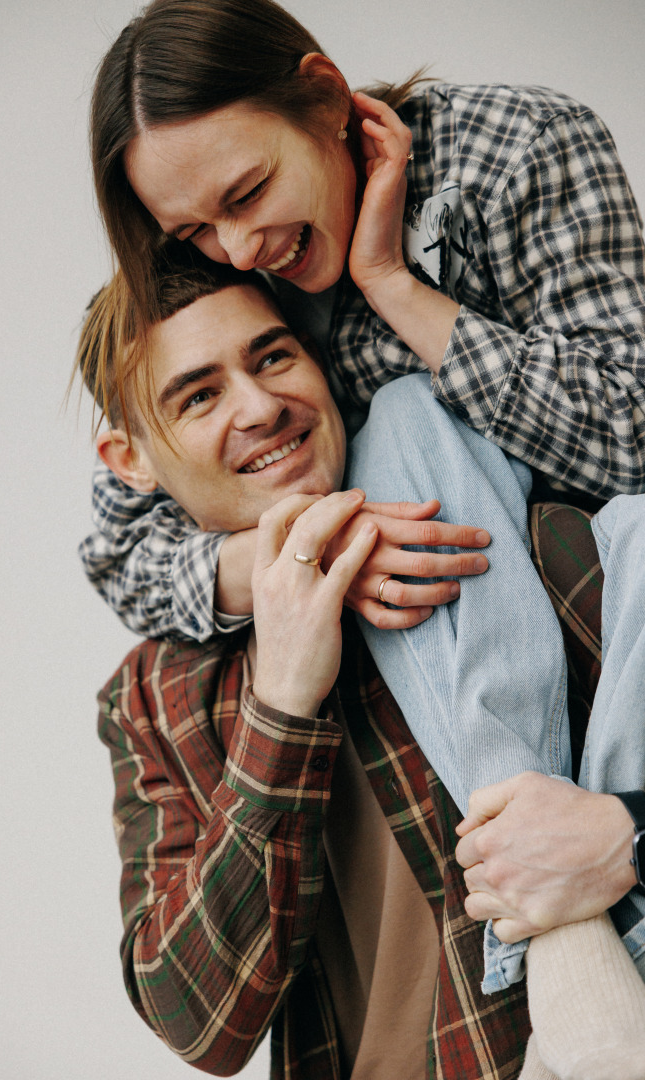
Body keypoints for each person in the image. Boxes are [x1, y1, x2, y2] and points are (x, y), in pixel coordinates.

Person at [79, 253, 645, 1079]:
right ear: (130, 460)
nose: (262, 406)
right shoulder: (155, 698)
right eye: (199, 396)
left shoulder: (516, 551)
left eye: (273, 357)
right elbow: (199, 1023)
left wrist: (631, 838)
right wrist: (280, 703)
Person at [81, 0, 645, 644]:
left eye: (248, 194)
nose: (238, 253)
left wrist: (392, 287)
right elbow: (120, 552)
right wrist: (312, 548)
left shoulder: (514, 151)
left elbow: (635, 440)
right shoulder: (204, 274)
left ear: (325, 100)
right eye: (194, 228)